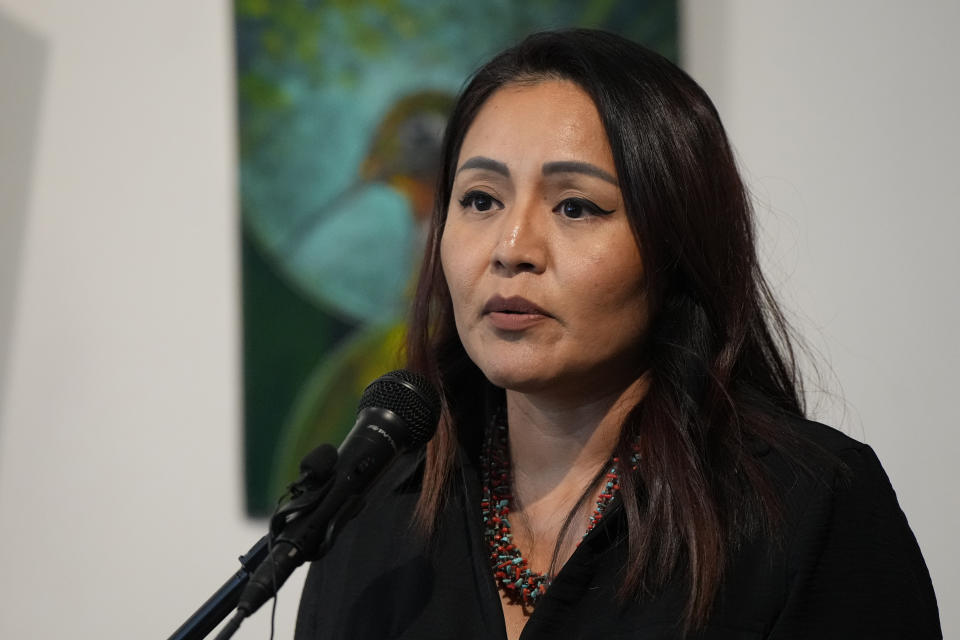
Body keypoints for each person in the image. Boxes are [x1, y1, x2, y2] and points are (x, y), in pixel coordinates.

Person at [295, 29, 941, 639]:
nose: (512, 248)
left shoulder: (806, 508)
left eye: (576, 206)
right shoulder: (374, 512)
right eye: (480, 200)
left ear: (677, 242)